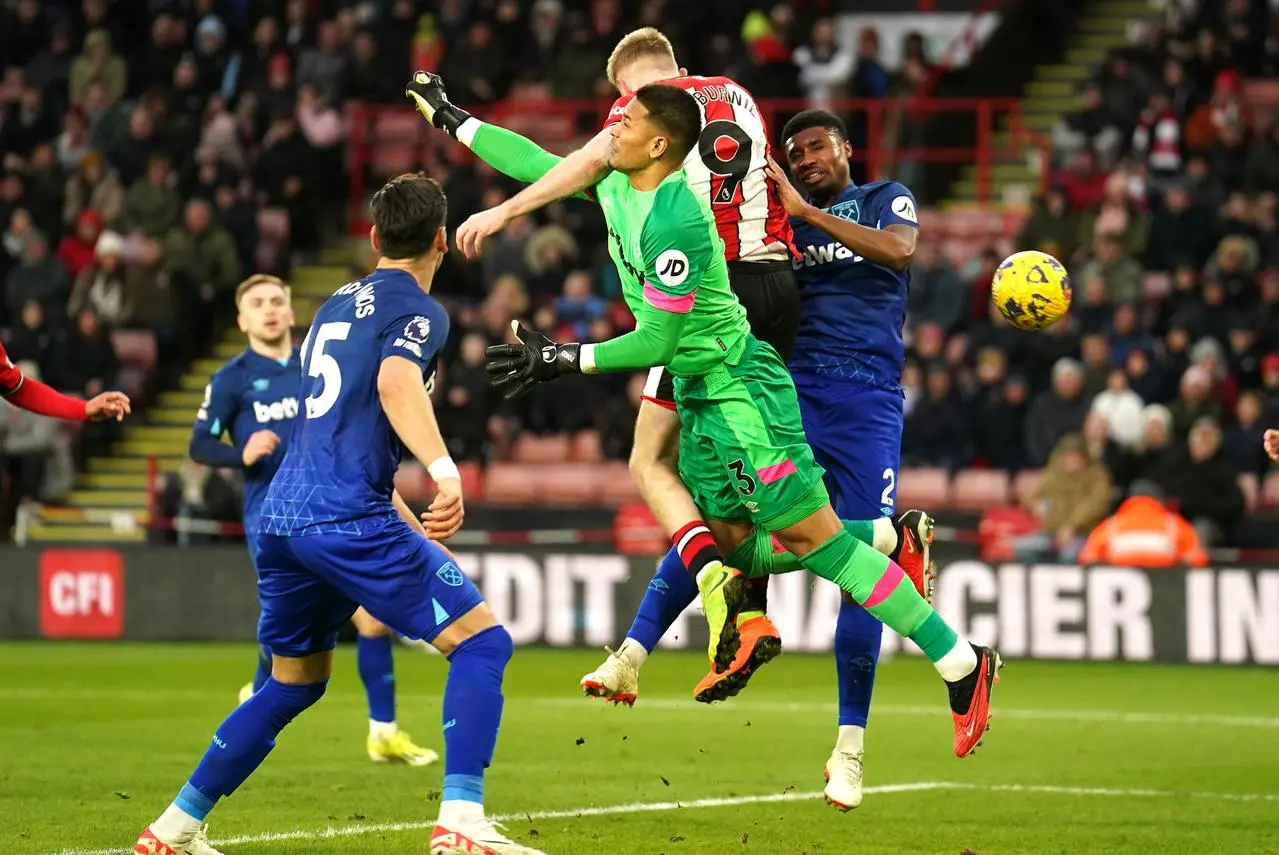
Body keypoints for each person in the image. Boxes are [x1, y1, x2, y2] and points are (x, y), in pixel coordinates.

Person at [409, 36, 935, 804]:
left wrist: (480, 165)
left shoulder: (654, 126)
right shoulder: (738, 100)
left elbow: (548, 167)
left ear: (635, 94)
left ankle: (729, 614)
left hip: (717, 313)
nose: (614, 125)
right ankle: (703, 626)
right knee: (726, 487)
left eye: (619, 111)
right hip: (774, 316)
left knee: (653, 463)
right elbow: (570, 166)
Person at [134, 175, 544, 855]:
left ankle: (174, 826)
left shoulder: (331, 306)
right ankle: (462, 822)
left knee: (294, 682)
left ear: (375, 237)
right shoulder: (420, 309)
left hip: (284, 519)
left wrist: (408, 520)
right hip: (344, 517)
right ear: (442, 239)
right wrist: (445, 472)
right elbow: (393, 383)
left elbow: (342, 430)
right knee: (482, 644)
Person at [188, 273, 437, 766]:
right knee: (285, 633)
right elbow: (198, 444)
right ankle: (261, 701)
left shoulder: (314, 365)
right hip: (272, 516)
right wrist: (241, 454)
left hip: (333, 505)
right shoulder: (232, 379)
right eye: (257, 303)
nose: (271, 309)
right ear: (242, 319)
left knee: (372, 616)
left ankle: (382, 731)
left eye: (278, 300)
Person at [767, 108, 936, 807]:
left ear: (843, 148)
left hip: (866, 399)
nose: (803, 158)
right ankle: (658, 644)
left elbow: (899, 252)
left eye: (814, 146)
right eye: (792, 152)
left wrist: (806, 212)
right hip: (794, 388)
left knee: (857, 575)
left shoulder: (883, 198)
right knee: (746, 516)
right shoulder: (781, 225)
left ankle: (849, 747)